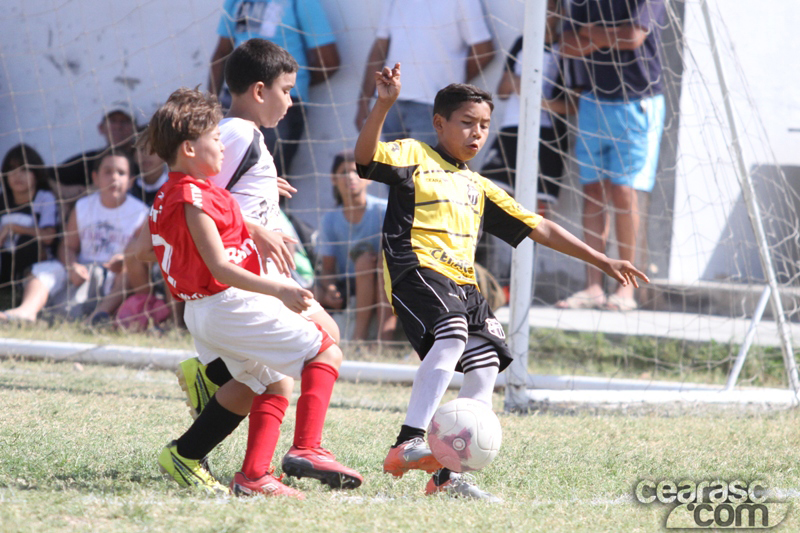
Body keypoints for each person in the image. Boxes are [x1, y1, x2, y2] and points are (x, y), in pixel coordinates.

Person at [354, 64, 648, 501]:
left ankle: (448, 476)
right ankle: (408, 438)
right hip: (417, 270)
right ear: (440, 123)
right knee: (452, 335)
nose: (477, 133)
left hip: (465, 285)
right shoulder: (413, 155)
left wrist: (601, 258)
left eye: (485, 126)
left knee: (487, 360)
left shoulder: (479, 185)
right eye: (467, 123)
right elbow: (364, 158)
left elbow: (539, 228)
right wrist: (384, 103)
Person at [136, 87, 361, 496]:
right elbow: (220, 266)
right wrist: (279, 289)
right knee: (326, 349)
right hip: (227, 304)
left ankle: (219, 464)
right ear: (189, 148)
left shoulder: (188, 192)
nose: (223, 145)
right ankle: (308, 449)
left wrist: (259, 199)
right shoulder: (192, 195)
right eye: (216, 139)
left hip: (207, 311)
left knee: (267, 384)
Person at [556, 0, 667, 311]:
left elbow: (634, 37)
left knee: (623, 191)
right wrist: (609, 36)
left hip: (638, 103)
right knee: (592, 191)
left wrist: (590, 34)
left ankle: (625, 289)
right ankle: (593, 287)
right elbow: (565, 43)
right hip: (593, 101)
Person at [478, 6, 576, 286]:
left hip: (547, 137)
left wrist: (533, 97)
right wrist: (523, 87)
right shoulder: (523, 41)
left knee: (533, 210)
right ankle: (476, 272)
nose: (545, 13)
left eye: (552, 7)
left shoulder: (569, 48)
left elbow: (571, 105)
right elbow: (505, 86)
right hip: (511, 131)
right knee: (483, 197)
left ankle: (517, 283)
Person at [0, 151, 148, 323]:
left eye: (121, 173)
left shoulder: (141, 213)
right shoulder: (83, 206)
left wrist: (123, 260)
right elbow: (67, 246)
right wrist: (72, 266)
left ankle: (97, 317)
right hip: (82, 270)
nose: (114, 177)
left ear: (131, 181)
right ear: (95, 178)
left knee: (127, 274)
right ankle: (25, 312)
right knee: (45, 270)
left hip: (115, 277)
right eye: (107, 171)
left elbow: (143, 257)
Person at [209, 0, 341, 177]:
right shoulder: (235, 2)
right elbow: (221, 52)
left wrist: (282, 90)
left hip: (278, 108)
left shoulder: (300, 3)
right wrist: (209, 105)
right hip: (234, 102)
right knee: (221, 173)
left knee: (267, 177)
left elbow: (329, 60)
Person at [354, 0, 495, 145]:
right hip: (389, 103)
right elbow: (380, 47)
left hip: (433, 105)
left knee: (425, 167)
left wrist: (452, 90)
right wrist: (364, 101)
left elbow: (483, 50)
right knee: (387, 166)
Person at [316, 151, 396, 342]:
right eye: (344, 172)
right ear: (334, 179)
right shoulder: (329, 220)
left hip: (384, 279)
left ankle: (385, 337)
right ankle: (357, 339)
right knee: (312, 290)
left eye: (356, 171)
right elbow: (328, 269)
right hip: (348, 285)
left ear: (369, 178)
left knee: (375, 262)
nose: (350, 177)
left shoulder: (384, 210)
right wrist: (330, 287)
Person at [0, 145, 58, 295]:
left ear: (36, 174)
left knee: (28, 240)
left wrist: (14, 227)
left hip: (32, 263)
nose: (17, 175)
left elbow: (48, 237)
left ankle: (25, 284)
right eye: (12, 169)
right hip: (5, 261)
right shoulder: (2, 201)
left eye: (24, 169)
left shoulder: (44, 199)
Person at [55, 103, 138, 204]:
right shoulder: (91, 159)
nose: (118, 126)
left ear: (135, 129)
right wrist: (65, 191)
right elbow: (46, 175)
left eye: (124, 122)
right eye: (112, 121)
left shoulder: (144, 160)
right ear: (101, 128)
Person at [130, 130, 168, 206]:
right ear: (134, 155)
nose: (146, 155)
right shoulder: (129, 189)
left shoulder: (174, 186)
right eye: (141, 149)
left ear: (164, 155)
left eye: (152, 150)